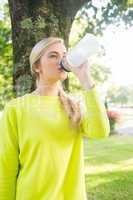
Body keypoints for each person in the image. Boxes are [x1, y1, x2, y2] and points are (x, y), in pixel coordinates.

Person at [0, 37, 110, 200]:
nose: (62, 60)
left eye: (64, 55)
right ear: (37, 66)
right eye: (53, 55)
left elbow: (101, 131)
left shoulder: (75, 107)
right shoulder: (16, 109)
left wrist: (85, 78)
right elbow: (5, 169)